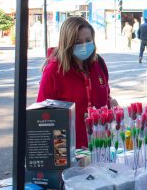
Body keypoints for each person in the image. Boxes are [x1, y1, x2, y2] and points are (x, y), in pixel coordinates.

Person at [37, 16, 114, 149]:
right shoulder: (53, 71)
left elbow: (105, 96)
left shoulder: (98, 64)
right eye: (78, 42)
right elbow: (44, 118)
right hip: (69, 153)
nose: (84, 45)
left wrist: (110, 102)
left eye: (88, 40)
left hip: (100, 147)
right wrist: (63, 153)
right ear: (68, 43)